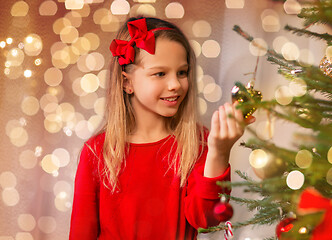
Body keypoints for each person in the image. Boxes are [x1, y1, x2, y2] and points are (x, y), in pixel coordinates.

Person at [69, 16, 255, 240]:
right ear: (127, 82)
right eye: (160, 73)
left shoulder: (197, 142)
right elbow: (81, 234)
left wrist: (219, 152)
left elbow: (207, 219)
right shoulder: (97, 153)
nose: (175, 84)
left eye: (182, 72)